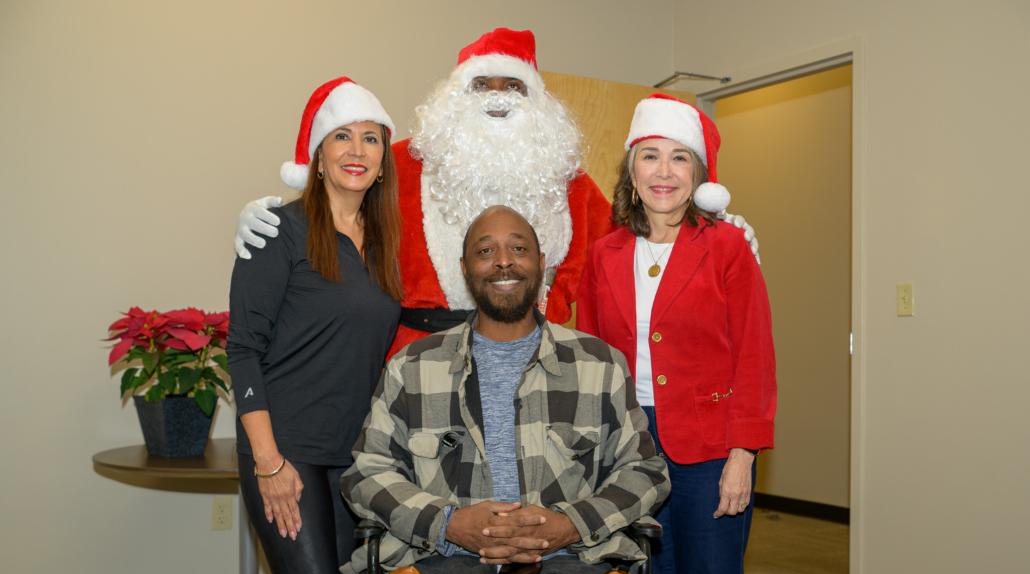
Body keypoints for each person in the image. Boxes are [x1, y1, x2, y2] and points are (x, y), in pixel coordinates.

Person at [232, 27, 760, 357]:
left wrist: (716, 228)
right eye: (482, 85)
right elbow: (341, 199)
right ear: (457, 95)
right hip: (419, 360)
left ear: (537, 102)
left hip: (532, 360)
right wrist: (271, 217)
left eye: (514, 87)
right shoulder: (403, 162)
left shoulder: (568, 179)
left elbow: (640, 238)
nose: (497, 98)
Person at [341, 205, 670, 574]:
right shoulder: (413, 366)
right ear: (465, 268)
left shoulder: (598, 365)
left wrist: (570, 524)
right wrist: (448, 523)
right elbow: (367, 472)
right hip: (448, 559)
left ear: (541, 264)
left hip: (570, 560)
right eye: (485, 251)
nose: (503, 261)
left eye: (519, 248)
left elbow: (646, 471)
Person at [577, 94, 777, 574]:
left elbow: (755, 356)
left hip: (710, 449)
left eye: (679, 158)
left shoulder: (728, 248)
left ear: (698, 174)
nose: (663, 172)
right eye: (650, 157)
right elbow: (590, 357)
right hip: (629, 445)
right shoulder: (604, 253)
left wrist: (743, 454)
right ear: (631, 170)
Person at [227, 76, 402, 574]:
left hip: (349, 456)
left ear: (383, 159)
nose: (357, 150)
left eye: (371, 139)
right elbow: (243, 351)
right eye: (342, 137)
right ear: (318, 156)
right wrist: (268, 461)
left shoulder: (385, 243)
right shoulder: (278, 230)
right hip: (286, 447)